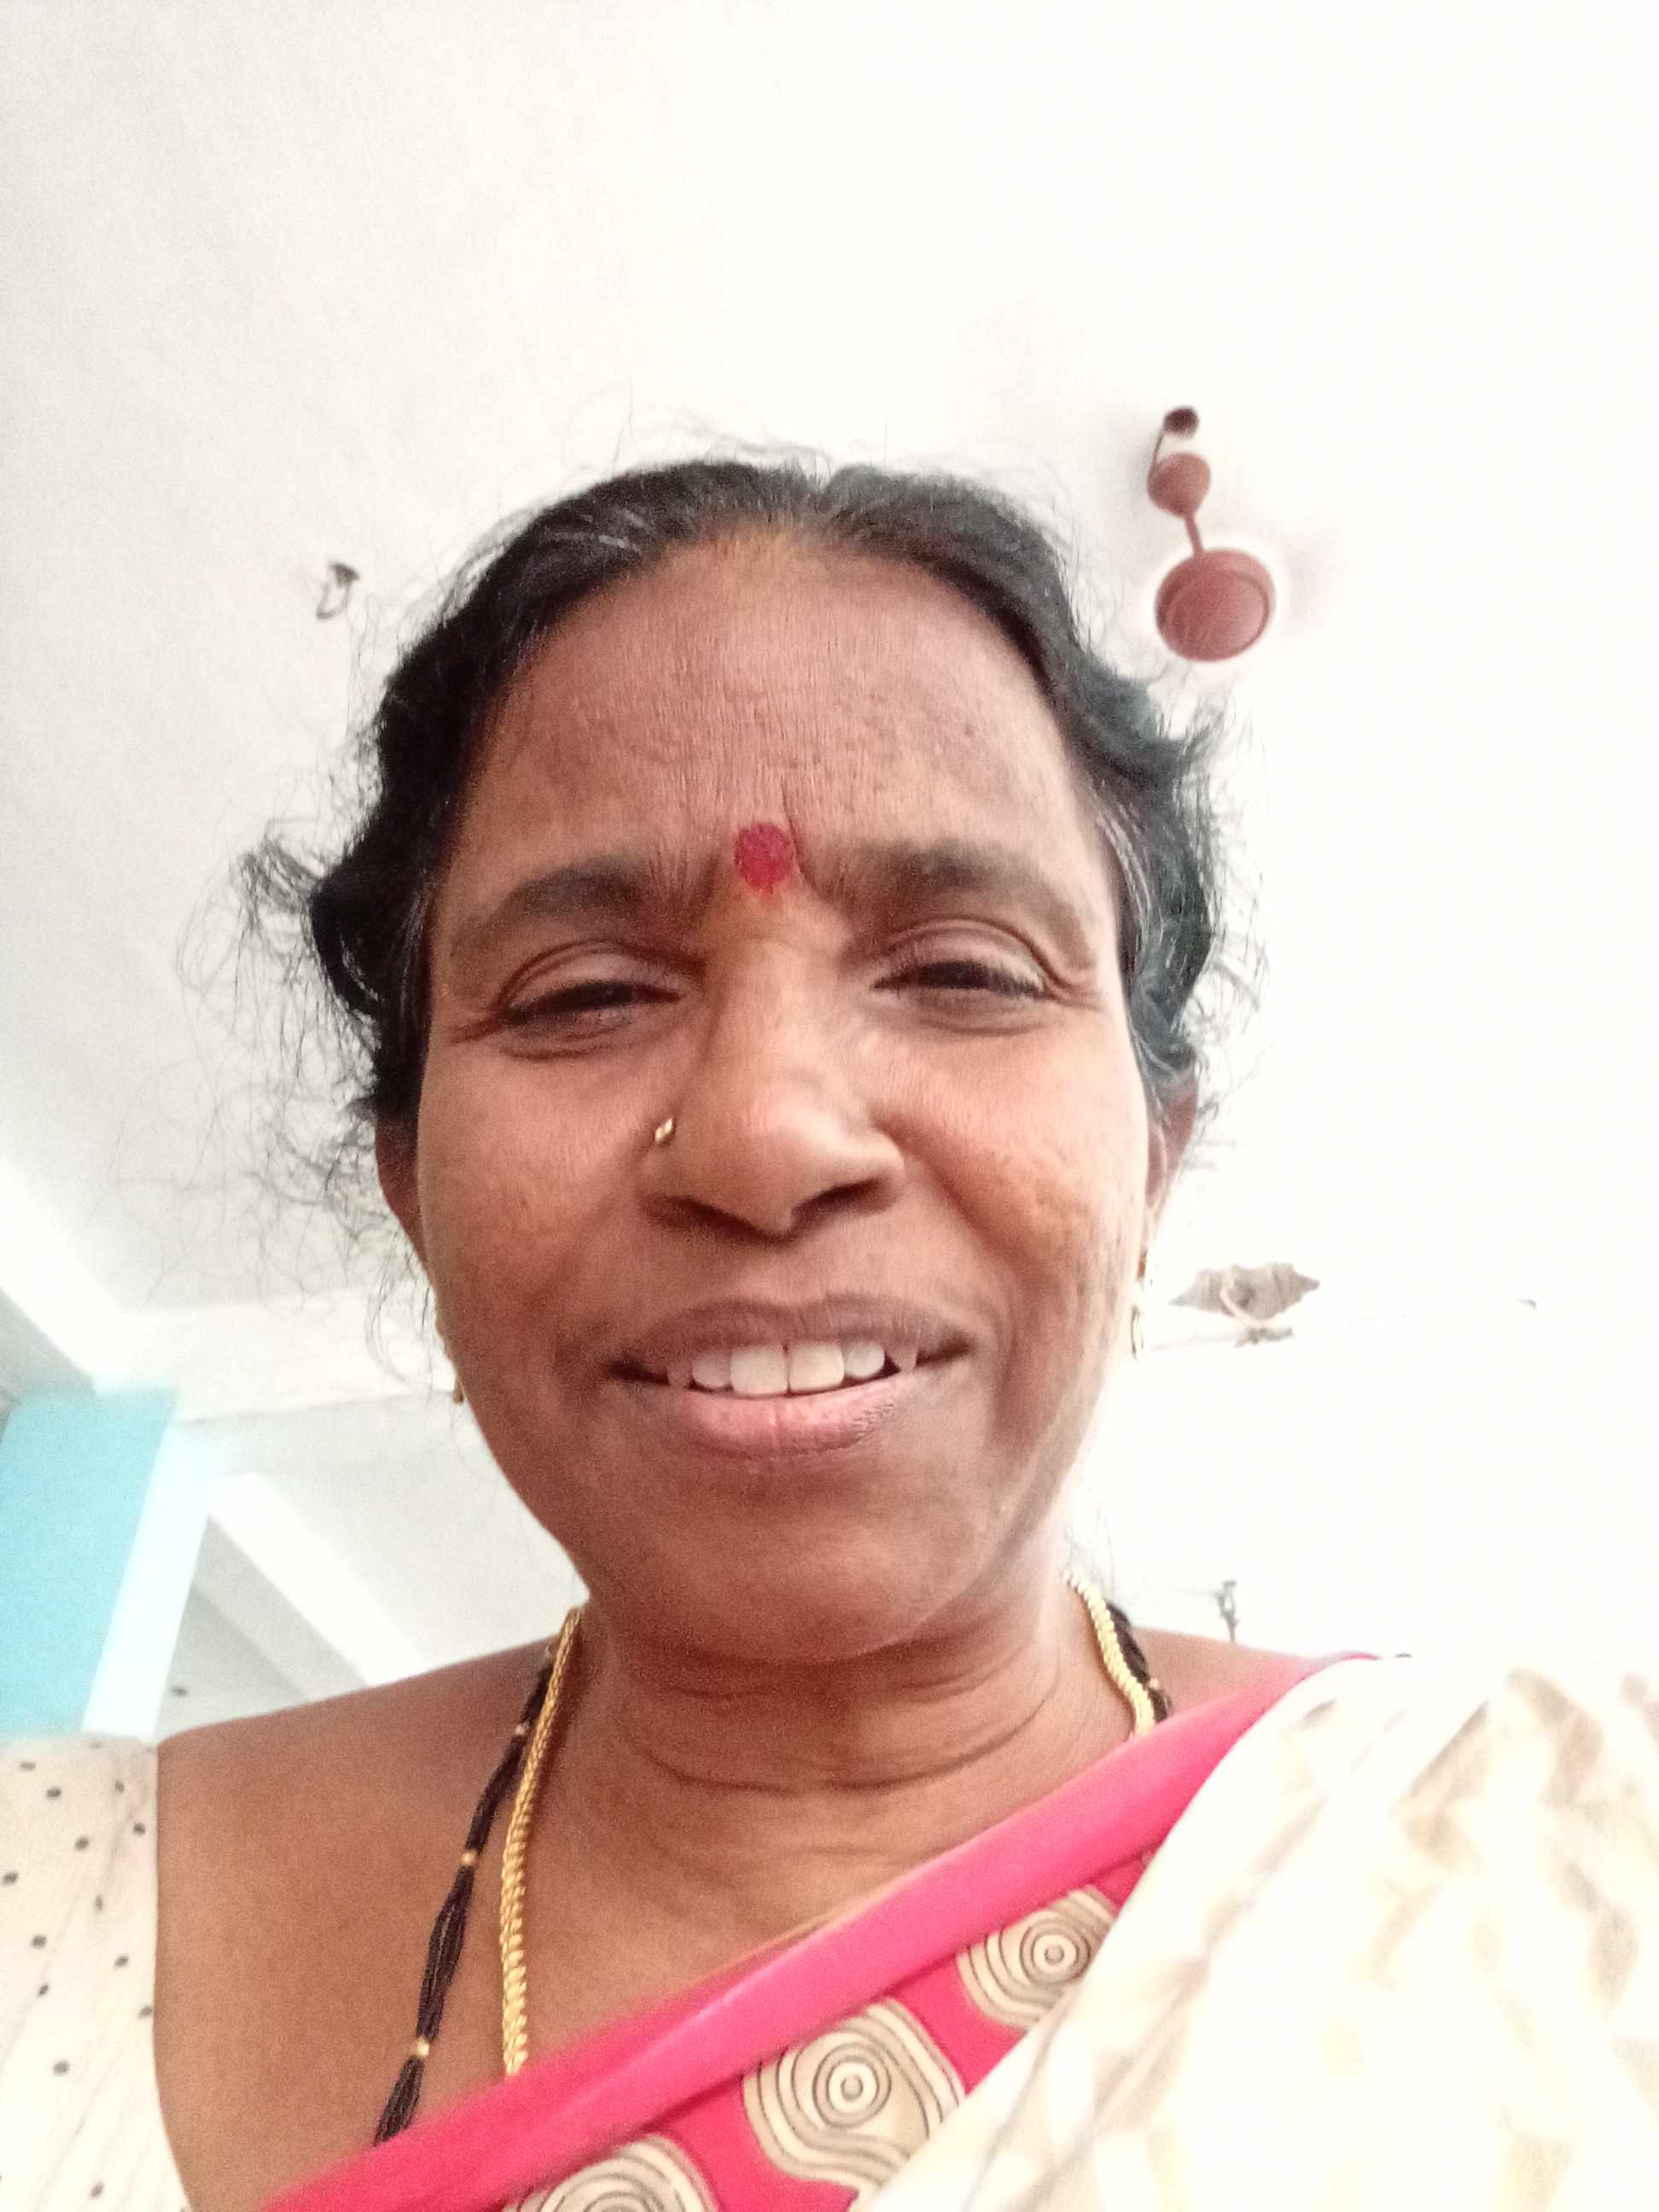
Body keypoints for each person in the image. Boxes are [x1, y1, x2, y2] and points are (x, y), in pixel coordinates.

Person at [2, 458, 1653, 2212]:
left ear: (1153, 1161)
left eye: (962, 972)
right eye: (585, 994)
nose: (764, 1136)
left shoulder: (1573, 1854)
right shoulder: (48, 1905)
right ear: (414, 1194)